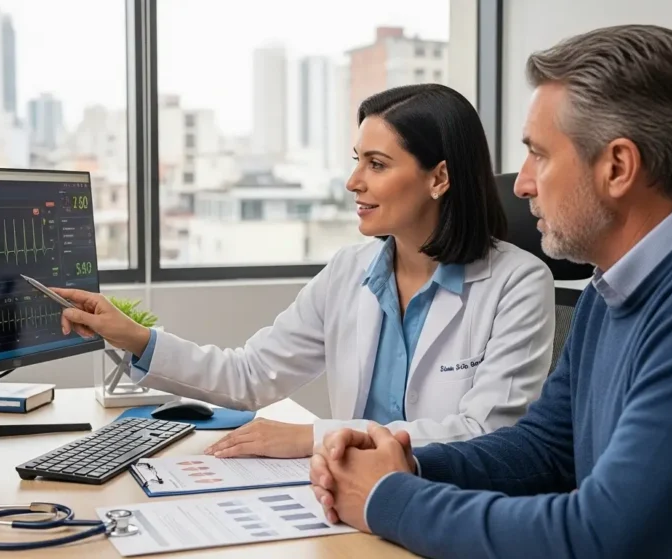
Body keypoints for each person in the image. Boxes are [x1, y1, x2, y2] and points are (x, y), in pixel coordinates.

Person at [309, 24, 672, 558]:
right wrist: (407, 462)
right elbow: (546, 451)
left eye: (540, 155)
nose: (521, 183)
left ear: (617, 166)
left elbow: (600, 540)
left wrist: (388, 497)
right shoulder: (614, 285)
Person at [56, 83, 556, 460]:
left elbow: (486, 435)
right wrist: (136, 338)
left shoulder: (517, 283)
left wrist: (314, 437)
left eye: (377, 165)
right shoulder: (349, 271)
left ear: (439, 177)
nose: (352, 181)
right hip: (349, 502)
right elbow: (250, 374)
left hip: (446, 506)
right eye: (357, 160)